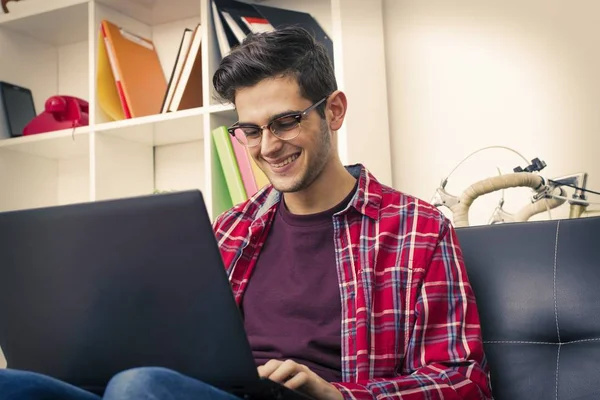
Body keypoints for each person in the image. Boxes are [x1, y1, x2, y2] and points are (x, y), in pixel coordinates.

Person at [0, 27, 492, 399]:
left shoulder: (417, 229)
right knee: (13, 385)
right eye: (250, 130)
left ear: (335, 111)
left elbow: (463, 381)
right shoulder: (230, 228)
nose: (268, 147)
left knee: (139, 388)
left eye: (285, 122)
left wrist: (336, 394)